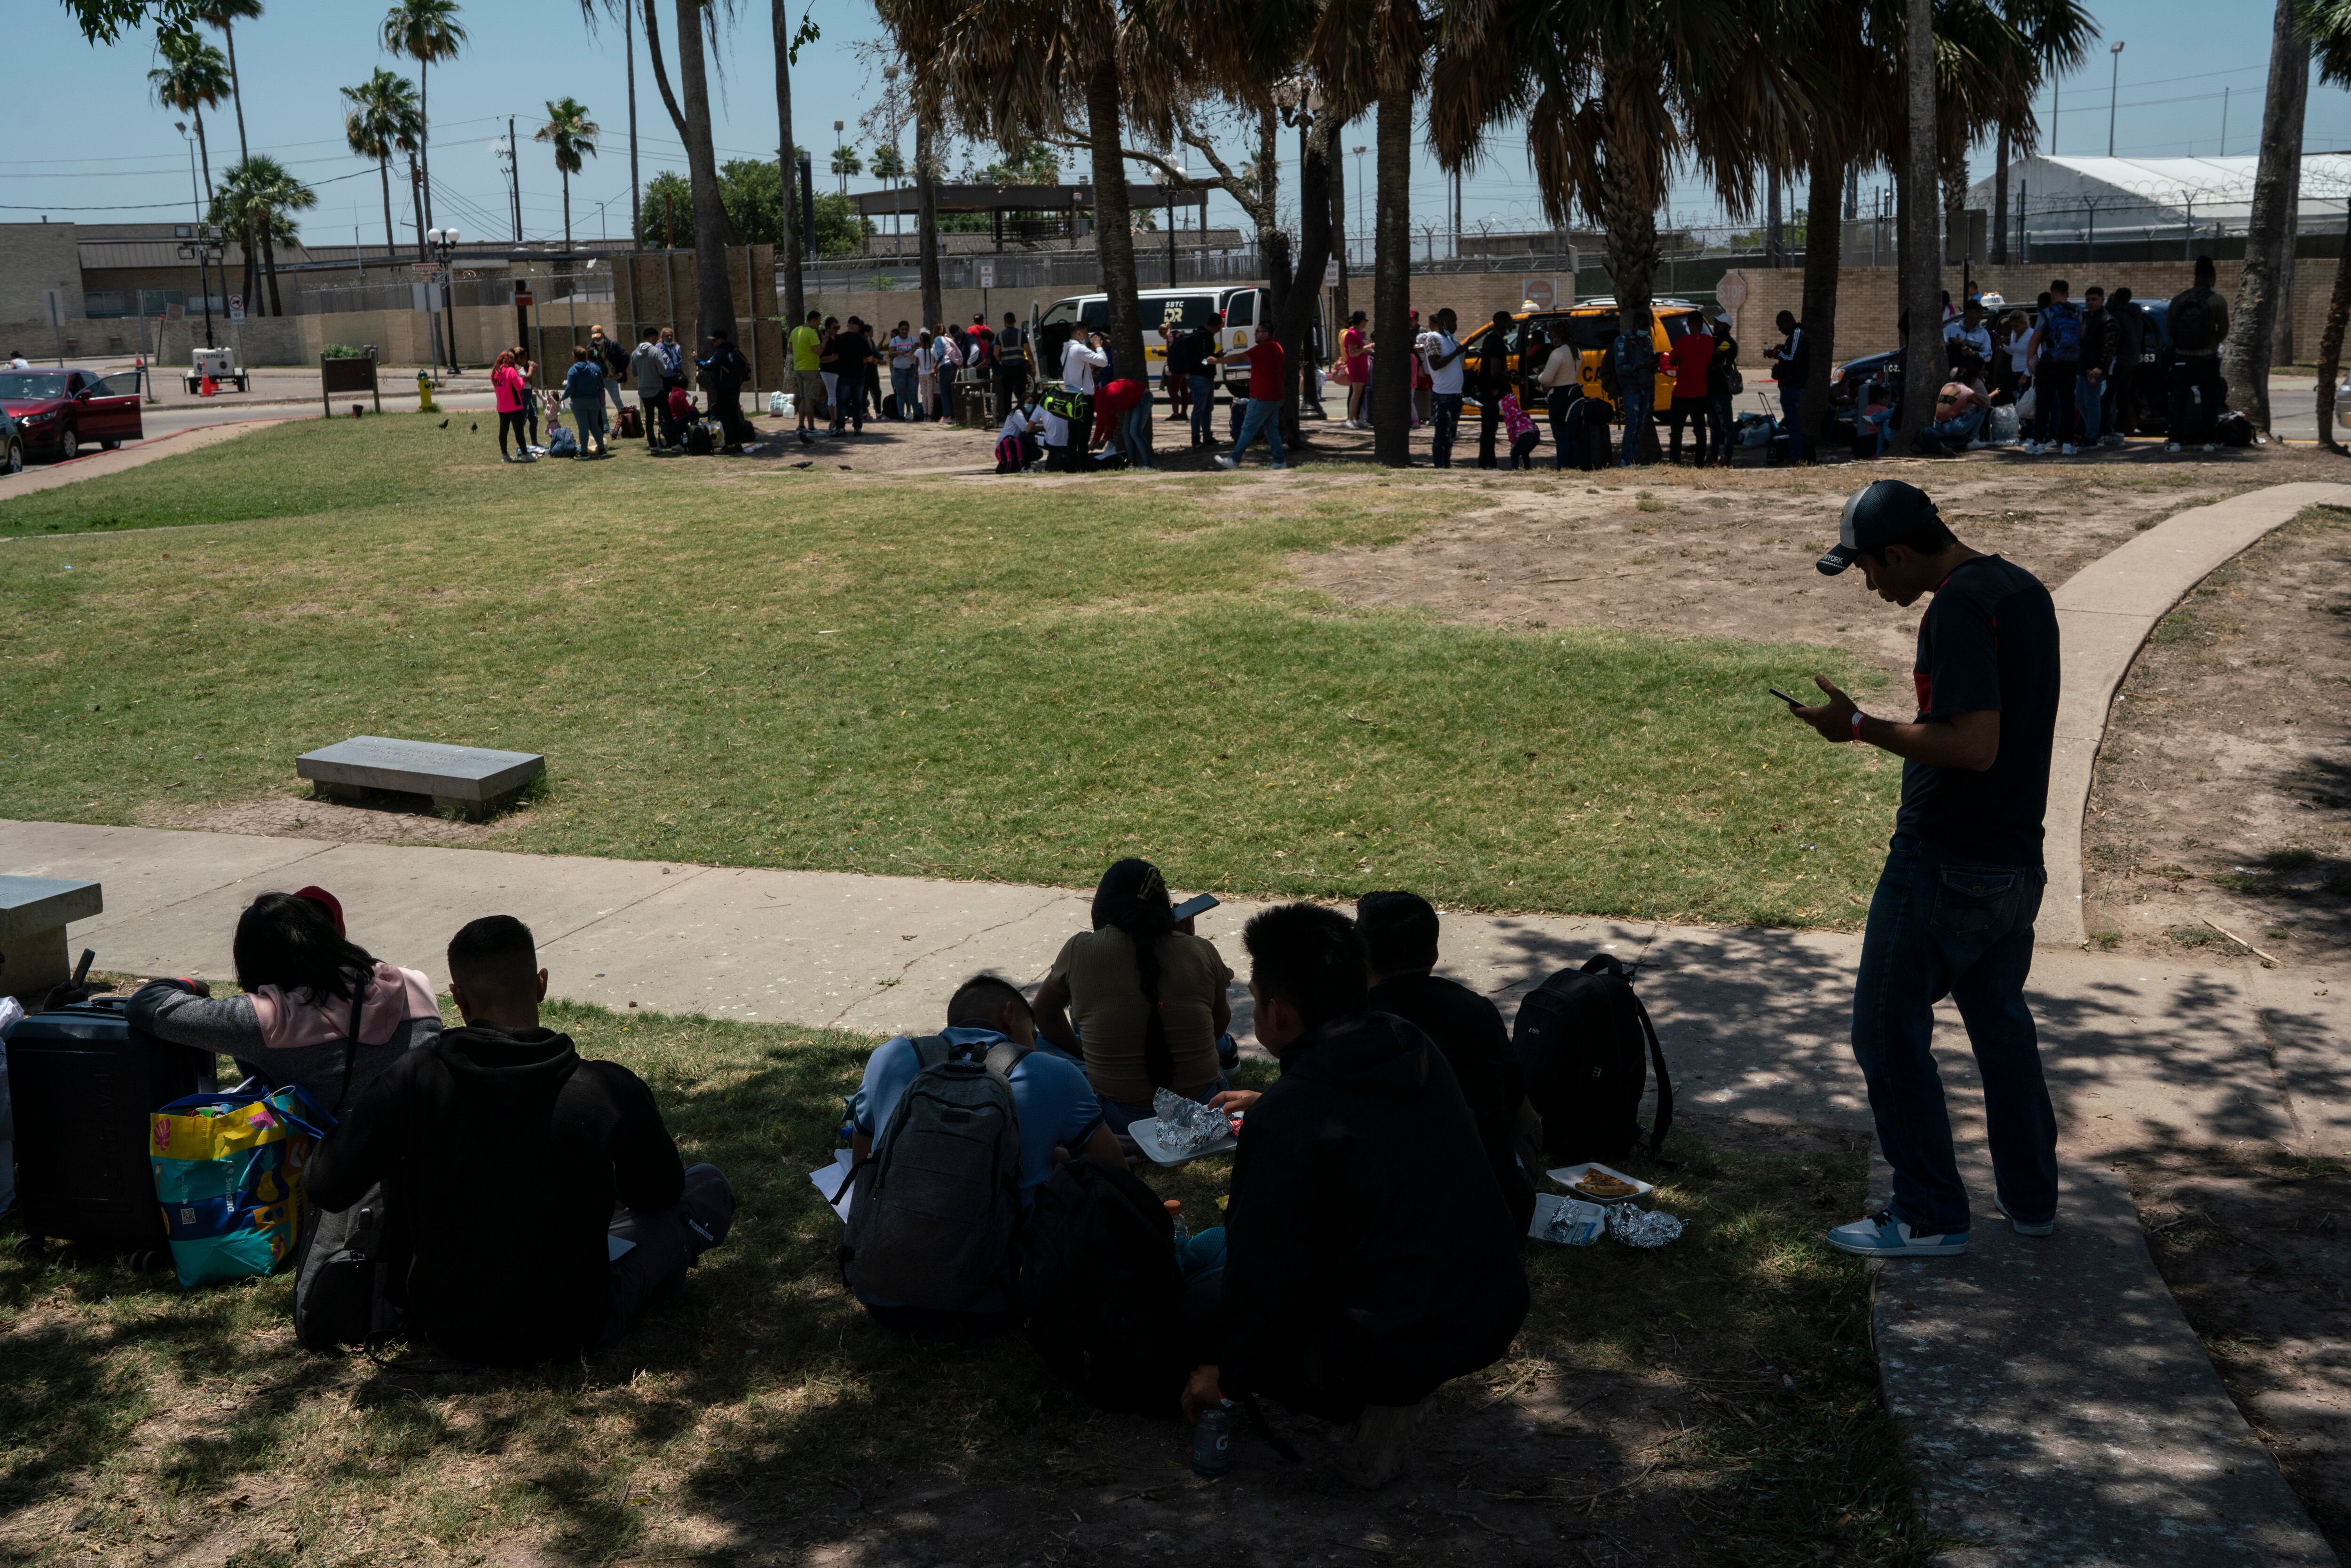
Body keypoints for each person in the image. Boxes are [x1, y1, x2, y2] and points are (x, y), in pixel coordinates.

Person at [1790, 480, 2060, 1259]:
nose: (1872, 586)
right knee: (2001, 1027)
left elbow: (1973, 745)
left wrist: (1859, 728)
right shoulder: (2020, 589)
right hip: (2015, 865)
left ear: (1899, 552)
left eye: (1870, 570)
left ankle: (1929, 1214)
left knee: (1885, 1032)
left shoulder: (1958, 608)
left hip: (1947, 861)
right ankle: (2032, 1201)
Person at [1177, 903, 1529, 1489]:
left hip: (1398, 1334)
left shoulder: (1289, 1122)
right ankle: (1396, 1378)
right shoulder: (1406, 1044)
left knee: (1200, 1303)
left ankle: (1381, 1401)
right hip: (1489, 1300)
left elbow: (1264, 1276)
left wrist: (1229, 1375)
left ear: (1279, 1012)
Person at [308, 916, 733, 1363]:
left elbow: (326, 1183)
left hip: (448, 1328)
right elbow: (662, 1193)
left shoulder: (414, 1083)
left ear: (458, 999)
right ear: (541, 984)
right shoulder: (606, 1090)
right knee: (705, 1186)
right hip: (575, 1329)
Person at [843, 974, 1123, 1331]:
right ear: (1009, 1014)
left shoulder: (890, 1056)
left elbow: (863, 1165)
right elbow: (1112, 1172)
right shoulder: (1055, 1074)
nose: (1034, 1045)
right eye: (1033, 1033)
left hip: (885, 1297)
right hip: (998, 1302)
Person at [128, 887, 441, 1116]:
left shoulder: (267, 1018)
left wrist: (192, 985)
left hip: (334, 1173)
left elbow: (146, 1004)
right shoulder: (415, 983)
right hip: (425, 1154)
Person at [1354, 891, 1537, 1235]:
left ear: (1361, 957)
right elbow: (1513, 1097)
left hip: (1388, 1220)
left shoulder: (1349, 1022)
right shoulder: (1476, 1008)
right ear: (1435, 953)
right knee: (1518, 1098)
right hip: (1498, 1216)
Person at [1033, 858, 1234, 1133]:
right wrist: (1186, 943)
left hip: (1121, 1117)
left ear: (1102, 906)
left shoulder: (1079, 950)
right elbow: (1217, 1024)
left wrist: (1084, 1054)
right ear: (1165, 907)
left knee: (1043, 1041)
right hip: (1201, 1108)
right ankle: (1229, 1052)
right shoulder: (1200, 951)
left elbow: (1042, 1014)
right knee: (1213, 1035)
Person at [2165, 256, 2228, 453]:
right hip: (2207, 358)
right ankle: (2209, 442)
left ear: (2194, 276)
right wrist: (2212, 342)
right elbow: (2224, 329)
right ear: (2212, 277)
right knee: (2210, 400)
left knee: (2178, 400)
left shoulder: (2179, 300)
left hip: (2182, 357)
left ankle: (2175, 441)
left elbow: (2170, 330)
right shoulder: (2217, 301)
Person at [1208, 323, 1287, 471]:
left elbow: (1240, 357)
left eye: (1258, 332)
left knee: (1248, 429)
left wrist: (1218, 361)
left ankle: (1234, 459)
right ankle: (1279, 461)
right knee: (1271, 430)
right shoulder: (1278, 347)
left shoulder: (1263, 348)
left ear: (1266, 333)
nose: (1255, 334)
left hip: (1263, 397)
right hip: (1276, 397)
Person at [2025, 279, 2083, 456]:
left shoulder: (2047, 313)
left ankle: (2039, 443)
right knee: (2067, 405)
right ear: (2068, 293)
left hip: (2049, 364)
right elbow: (2082, 336)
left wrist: (2031, 362)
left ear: (2052, 295)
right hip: (2070, 364)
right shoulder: (2078, 312)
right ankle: (2067, 443)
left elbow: (2036, 338)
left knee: (2043, 405)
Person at [1912, 357, 1992, 456]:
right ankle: (1973, 439)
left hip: (1937, 425)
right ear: (1973, 378)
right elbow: (1986, 404)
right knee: (1982, 410)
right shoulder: (1968, 391)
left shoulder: (1947, 386)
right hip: (1953, 427)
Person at [1469, 310, 1515, 468]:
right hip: (1492, 391)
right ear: (1503, 323)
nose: (1512, 325)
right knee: (1489, 429)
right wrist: (1511, 378)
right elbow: (1494, 371)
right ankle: (1486, 463)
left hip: (1487, 390)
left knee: (1489, 428)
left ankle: (1489, 462)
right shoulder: (1496, 342)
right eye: (1510, 321)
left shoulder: (1491, 339)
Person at [1664, 320, 1714, 466]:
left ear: (1690, 325)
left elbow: (1672, 359)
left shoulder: (1682, 341)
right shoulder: (1709, 341)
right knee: (1700, 430)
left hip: (1682, 393)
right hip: (1700, 392)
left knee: (1677, 431)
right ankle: (1699, 462)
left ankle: (1675, 461)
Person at [1610, 318, 1657, 468]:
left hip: (1645, 389)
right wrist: (1641, 366)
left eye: (1647, 326)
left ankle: (1634, 458)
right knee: (1632, 425)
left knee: (1640, 426)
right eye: (1643, 325)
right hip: (1631, 389)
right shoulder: (1623, 341)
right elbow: (1621, 368)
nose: (1646, 329)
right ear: (1635, 325)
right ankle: (1625, 459)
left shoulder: (1647, 341)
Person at [1423, 309, 1467, 467]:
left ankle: (1446, 466)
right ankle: (1439, 467)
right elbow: (1435, 365)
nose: (1456, 326)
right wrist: (1457, 352)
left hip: (1455, 396)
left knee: (1450, 437)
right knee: (1441, 435)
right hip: (1443, 397)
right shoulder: (1433, 339)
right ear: (1443, 323)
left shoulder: (1449, 339)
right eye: (1453, 322)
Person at [697, 327, 752, 452]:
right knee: (734, 415)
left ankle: (729, 445)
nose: (714, 343)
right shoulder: (733, 350)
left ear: (721, 340)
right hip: (735, 388)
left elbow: (708, 366)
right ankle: (738, 443)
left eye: (715, 341)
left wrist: (697, 360)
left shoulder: (720, 353)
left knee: (726, 417)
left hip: (724, 389)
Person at [1534, 322, 1580, 471]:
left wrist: (1539, 376)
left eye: (1551, 335)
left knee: (1561, 437)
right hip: (1574, 395)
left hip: (1560, 398)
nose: (1550, 337)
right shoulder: (1576, 352)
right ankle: (1573, 465)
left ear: (1557, 336)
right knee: (1572, 436)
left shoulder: (1558, 353)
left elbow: (1546, 379)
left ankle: (1563, 466)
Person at [2074, 285, 2114, 449]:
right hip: (2085, 368)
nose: (2090, 303)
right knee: (2080, 401)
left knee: (2092, 402)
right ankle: (2093, 433)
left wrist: (2100, 367)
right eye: (2088, 300)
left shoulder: (2107, 320)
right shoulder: (2088, 319)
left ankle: (2092, 437)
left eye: (2094, 299)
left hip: (2095, 369)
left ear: (2102, 300)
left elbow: (2109, 347)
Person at [1168, 315, 1218, 448]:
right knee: (1200, 409)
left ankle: (1207, 437)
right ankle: (1196, 439)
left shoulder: (1202, 335)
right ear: (1218, 325)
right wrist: (1215, 358)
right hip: (1200, 377)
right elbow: (1202, 359)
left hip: (1203, 377)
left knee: (1207, 409)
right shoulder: (1204, 336)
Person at [2105, 287, 2143, 448]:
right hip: (2132, 361)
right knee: (2123, 398)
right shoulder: (2136, 315)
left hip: (2118, 361)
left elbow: (2113, 341)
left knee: (2107, 398)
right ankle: (2119, 433)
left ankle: (2105, 432)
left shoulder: (2118, 316)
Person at [1767, 310, 1806, 465]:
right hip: (1790, 385)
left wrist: (1777, 354)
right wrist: (1782, 349)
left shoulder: (1797, 334)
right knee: (1792, 423)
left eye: (1781, 326)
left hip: (1792, 386)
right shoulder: (1794, 336)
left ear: (1788, 322)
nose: (1780, 330)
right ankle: (1795, 455)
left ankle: (1796, 456)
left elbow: (1792, 359)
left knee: (1793, 423)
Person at [1060, 328, 1109, 446]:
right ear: (1079, 334)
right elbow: (1103, 362)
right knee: (1083, 438)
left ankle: (1072, 463)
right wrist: (1098, 346)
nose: (1089, 337)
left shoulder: (1066, 350)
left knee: (1072, 437)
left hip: (1070, 398)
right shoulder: (1079, 349)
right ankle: (1083, 463)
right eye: (1087, 334)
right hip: (1083, 399)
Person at [828, 318, 876, 436]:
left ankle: (840, 428)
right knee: (858, 403)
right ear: (858, 327)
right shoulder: (862, 340)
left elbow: (835, 355)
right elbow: (870, 358)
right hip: (859, 375)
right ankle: (858, 428)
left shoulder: (840, 338)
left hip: (844, 374)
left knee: (842, 402)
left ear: (848, 324)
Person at [1704, 318, 1740, 467]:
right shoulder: (1716, 340)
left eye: (1719, 324)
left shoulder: (1728, 342)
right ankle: (1713, 456)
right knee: (1714, 425)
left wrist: (1710, 356)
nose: (1716, 326)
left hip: (1722, 390)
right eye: (1715, 324)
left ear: (1727, 326)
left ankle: (1727, 457)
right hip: (1710, 389)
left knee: (1727, 426)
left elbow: (1713, 355)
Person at [563, 346, 609, 458]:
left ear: (575, 358)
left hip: (579, 402)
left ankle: (584, 452)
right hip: (594, 401)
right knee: (594, 425)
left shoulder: (573, 370)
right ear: (586, 357)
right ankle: (602, 450)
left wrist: (562, 398)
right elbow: (602, 384)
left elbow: (570, 388)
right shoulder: (595, 368)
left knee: (583, 426)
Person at [489, 349, 534, 462]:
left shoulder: (494, 373)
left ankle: (505, 455)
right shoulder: (510, 371)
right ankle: (525, 454)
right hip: (514, 406)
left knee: (503, 431)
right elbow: (519, 386)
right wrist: (520, 378)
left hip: (502, 406)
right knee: (519, 431)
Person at [790, 308, 825, 445]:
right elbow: (819, 351)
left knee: (804, 398)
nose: (819, 324)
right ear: (814, 320)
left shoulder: (795, 331)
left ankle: (801, 426)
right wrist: (825, 341)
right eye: (819, 321)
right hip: (810, 368)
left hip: (798, 368)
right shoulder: (812, 333)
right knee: (810, 399)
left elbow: (790, 349)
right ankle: (811, 428)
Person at [631, 328, 670, 449]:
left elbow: (634, 372)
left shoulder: (634, 353)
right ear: (653, 337)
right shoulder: (655, 351)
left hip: (643, 390)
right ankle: (675, 443)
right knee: (668, 416)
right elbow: (663, 370)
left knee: (649, 418)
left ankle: (653, 445)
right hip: (657, 389)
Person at [1941, 298, 1993, 372]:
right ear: (1968, 312)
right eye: (1978, 312)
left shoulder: (1984, 333)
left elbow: (1988, 356)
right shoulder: (1953, 327)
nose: (1981, 315)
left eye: (1982, 312)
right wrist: (1952, 340)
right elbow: (1938, 343)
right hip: (1952, 374)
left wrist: (1973, 353)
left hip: (1971, 377)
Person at [995, 396, 1043, 473]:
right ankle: (1025, 466)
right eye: (1029, 403)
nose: (1031, 405)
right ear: (1022, 402)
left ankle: (1024, 464)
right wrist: (1043, 428)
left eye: (1033, 404)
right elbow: (1027, 429)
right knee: (1027, 438)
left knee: (1037, 450)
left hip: (1015, 444)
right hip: (1007, 444)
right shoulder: (1017, 413)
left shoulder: (1027, 415)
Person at [1340, 310, 1371, 429]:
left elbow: (1362, 348)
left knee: (1360, 393)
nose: (1366, 322)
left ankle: (1357, 418)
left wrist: (1367, 347)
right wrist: (1365, 348)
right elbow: (1352, 353)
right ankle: (1350, 419)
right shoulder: (1352, 334)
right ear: (1361, 321)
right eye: (1366, 320)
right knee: (1356, 393)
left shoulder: (1360, 334)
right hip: (1356, 367)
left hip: (1363, 366)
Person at [591, 324, 630, 418]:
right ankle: (605, 425)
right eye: (595, 337)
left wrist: (621, 372)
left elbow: (625, 358)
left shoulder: (613, 345)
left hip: (612, 379)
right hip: (599, 380)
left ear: (603, 334)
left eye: (599, 336)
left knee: (617, 400)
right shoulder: (591, 348)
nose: (597, 339)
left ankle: (624, 420)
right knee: (601, 403)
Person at [888, 320, 921, 421]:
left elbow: (917, 355)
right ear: (899, 330)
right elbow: (891, 354)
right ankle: (901, 415)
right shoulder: (895, 341)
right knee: (901, 394)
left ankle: (916, 415)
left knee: (913, 393)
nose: (904, 332)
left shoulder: (912, 340)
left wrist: (916, 370)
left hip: (911, 370)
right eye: (902, 330)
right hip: (898, 371)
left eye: (906, 330)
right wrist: (899, 352)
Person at [1498, 389, 1540, 469]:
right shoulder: (1520, 411)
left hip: (1526, 435)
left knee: (1515, 454)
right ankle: (1528, 468)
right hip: (1536, 433)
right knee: (1525, 452)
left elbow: (1511, 431)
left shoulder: (1509, 416)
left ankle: (1515, 469)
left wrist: (1513, 444)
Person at [996, 311, 1030, 407]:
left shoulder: (1000, 335)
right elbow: (1028, 352)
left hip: (1006, 369)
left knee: (1007, 394)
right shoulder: (1021, 334)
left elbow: (996, 353)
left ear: (1005, 322)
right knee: (1021, 393)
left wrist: (1001, 360)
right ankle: (1022, 413)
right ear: (1015, 321)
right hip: (1020, 368)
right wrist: (1033, 366)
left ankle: (1008, 416)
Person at [514, 347, 544, 452]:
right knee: (522, 421)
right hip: (523, 396)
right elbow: (527, 378)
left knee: (534, 419)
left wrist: (531, 368)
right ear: (520, 358)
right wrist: (531, 368)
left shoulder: (520, 367)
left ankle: (534, 442)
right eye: (525, 356)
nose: (527, 358)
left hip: (527, 395)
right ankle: (521, 446)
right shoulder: (517, 367)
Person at [655, 327, 684, 395]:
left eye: (671, 335)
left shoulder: (676, 347)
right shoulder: (658, 347)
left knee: (676, 397)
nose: (669, 337)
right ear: (662, 337)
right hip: (665, 377)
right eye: (667, 336)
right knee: (665, 397)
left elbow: (680, 361)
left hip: (676, 376)